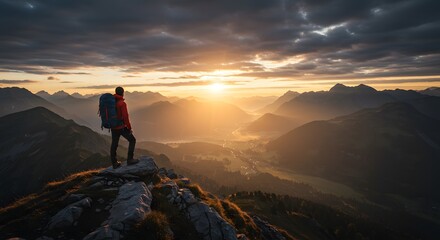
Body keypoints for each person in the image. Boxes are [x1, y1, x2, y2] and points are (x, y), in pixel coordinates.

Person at [110, 86, 139, 169]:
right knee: (132, 140)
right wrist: (129, 128)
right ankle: (130, 159)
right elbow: (125, 117)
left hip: (113, 127)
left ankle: (114, 163)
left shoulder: (112, 102)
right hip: (121, 127)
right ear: (122, 93)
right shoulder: (122, 103)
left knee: (114, 144)